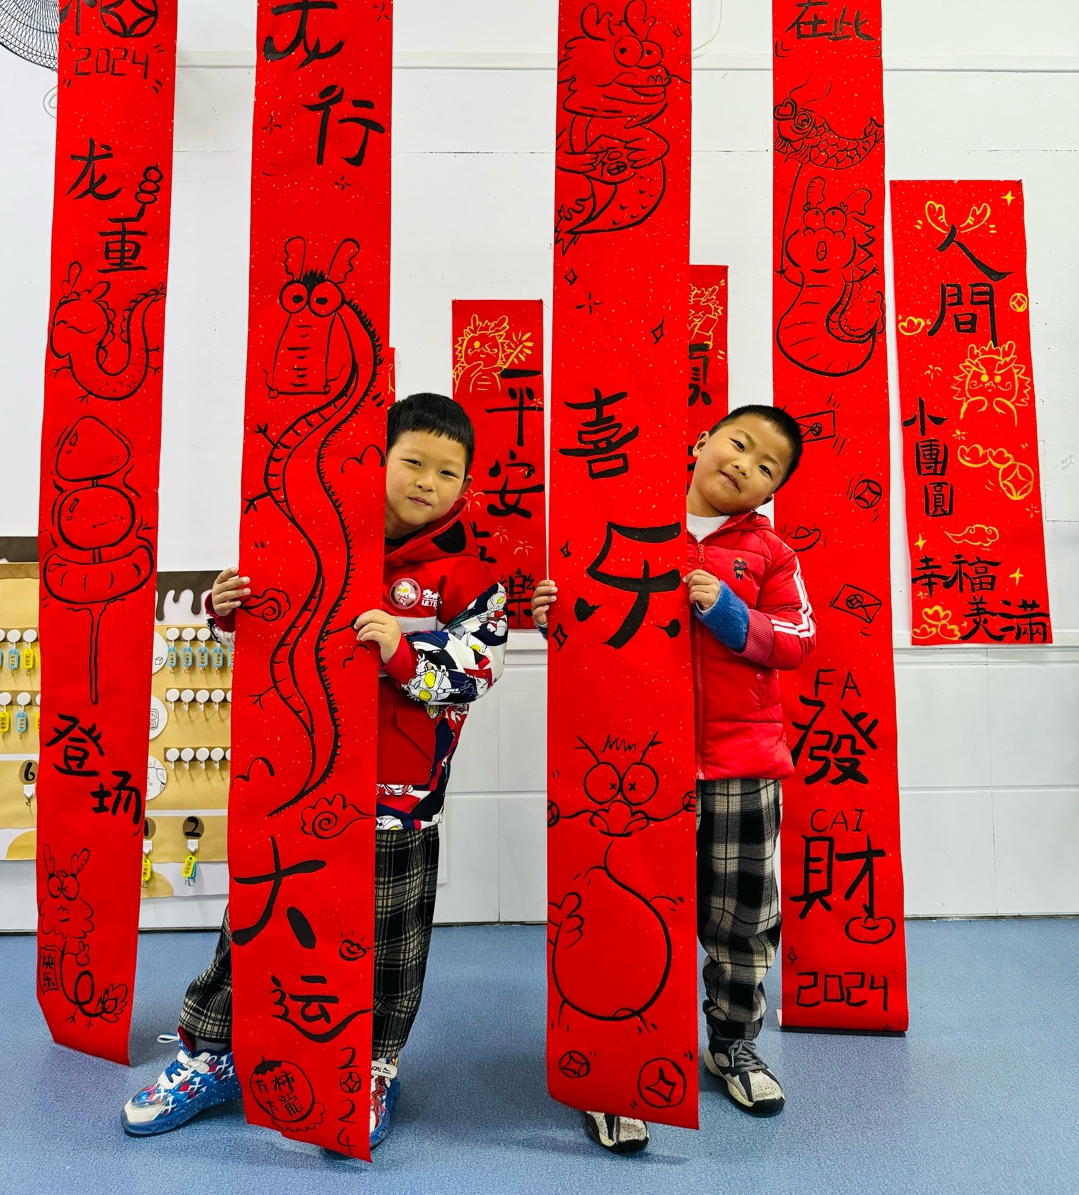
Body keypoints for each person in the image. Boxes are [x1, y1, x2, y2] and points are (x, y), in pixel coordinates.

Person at [122, 393, 508, 1150]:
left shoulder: (468, 577)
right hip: (295, 781)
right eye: (413, 461)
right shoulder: (305, 539)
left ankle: (373, 1066)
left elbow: (477, 669)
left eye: (448, 472)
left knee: (390, 938)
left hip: (399, 796)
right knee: (258, 921)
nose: (427, 482)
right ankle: (214, 1053)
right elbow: (265, 638)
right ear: (376, 460)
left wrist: (403, 651)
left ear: (466, 486)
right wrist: (228, 608)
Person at [533, 404, 814, 1155]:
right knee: (620, 916)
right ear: (701, 440)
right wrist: (552, 612)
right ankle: (616, 1072)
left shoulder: (771, 554)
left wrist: (729, 612)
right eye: (739, 443)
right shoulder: (624, 525)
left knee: (740, 917)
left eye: (766, 467)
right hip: (631, 763)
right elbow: (585, 619)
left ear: (771, 492)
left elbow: (797, 640)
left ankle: (732, 1044)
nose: (745, 465)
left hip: (739, 763)